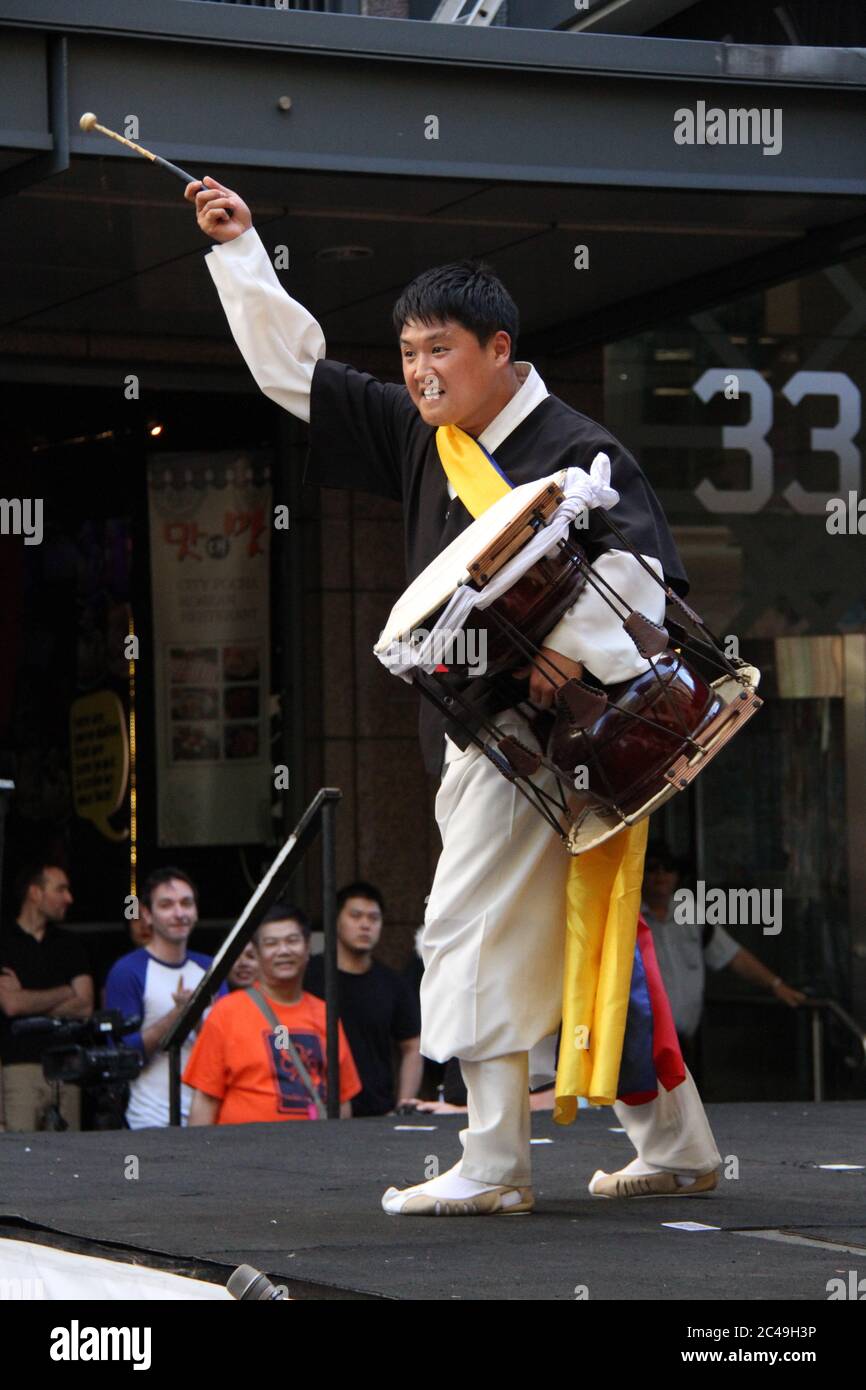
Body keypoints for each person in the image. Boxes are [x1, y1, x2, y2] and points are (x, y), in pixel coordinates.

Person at [187, 176, 724, 1214]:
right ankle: (677, 1145)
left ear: (497, 351)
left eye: (439, 350)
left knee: (462, 926)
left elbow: (651, 596)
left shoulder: (578, 452)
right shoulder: (419, 436)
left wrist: (567, 645)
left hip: (559, 745)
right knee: (585, 950)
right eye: (406, 354)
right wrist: (239, 249)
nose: (419, 371)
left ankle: (490, 1161)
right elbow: (297, 374)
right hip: (478, 746)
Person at [641, 844, 807, 1080]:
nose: (661, 876)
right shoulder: (626, 919)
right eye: (652, 869)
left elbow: (732, 956)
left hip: (683, 1042)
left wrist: (775, 984)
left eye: (667, 868)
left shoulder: (691, 914)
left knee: (684, 1112)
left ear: (677, 875)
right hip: (639, 1042)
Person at [184, 904, 361, 1124]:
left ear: (307, 949)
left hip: (314, 1152)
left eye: (292, 940)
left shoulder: (325, 1013)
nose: (283, 950)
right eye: (271, 943)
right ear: (257, 954)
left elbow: (342, 1099)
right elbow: (205, 1099)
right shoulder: (226, 1012)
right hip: (242, 1153)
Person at [104, 867, 224, 1129]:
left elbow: (227, 1051)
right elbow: (119, 1055)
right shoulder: (127, 970)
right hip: (149, 1117)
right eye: (167, 905)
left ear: (196, 911)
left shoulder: (211, 969)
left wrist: (195, 1020)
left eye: (186, 903)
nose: (179, 913)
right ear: (147, 914)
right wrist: (174, 1017)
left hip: (209, 1116)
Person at [304, 881, 422, 1116]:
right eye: (356, 916)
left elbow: (413, 1046)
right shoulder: (309, 975)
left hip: (377, 1111)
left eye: (374, 918)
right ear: (336, 921)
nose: (365, 925)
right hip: (316, 1110)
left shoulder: (392, 983)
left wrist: (403, 1105)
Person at [0, 863, 93, 1132]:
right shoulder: (4, 941)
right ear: (35, 893)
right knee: (21, 1159)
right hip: (19, 1069)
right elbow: (11, 1005)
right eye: (61, 889)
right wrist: (65, 991)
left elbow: (85, 1005)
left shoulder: (70, 945)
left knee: (69, 1162)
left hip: (67, 1069)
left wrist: (27, 998)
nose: (69, 898)